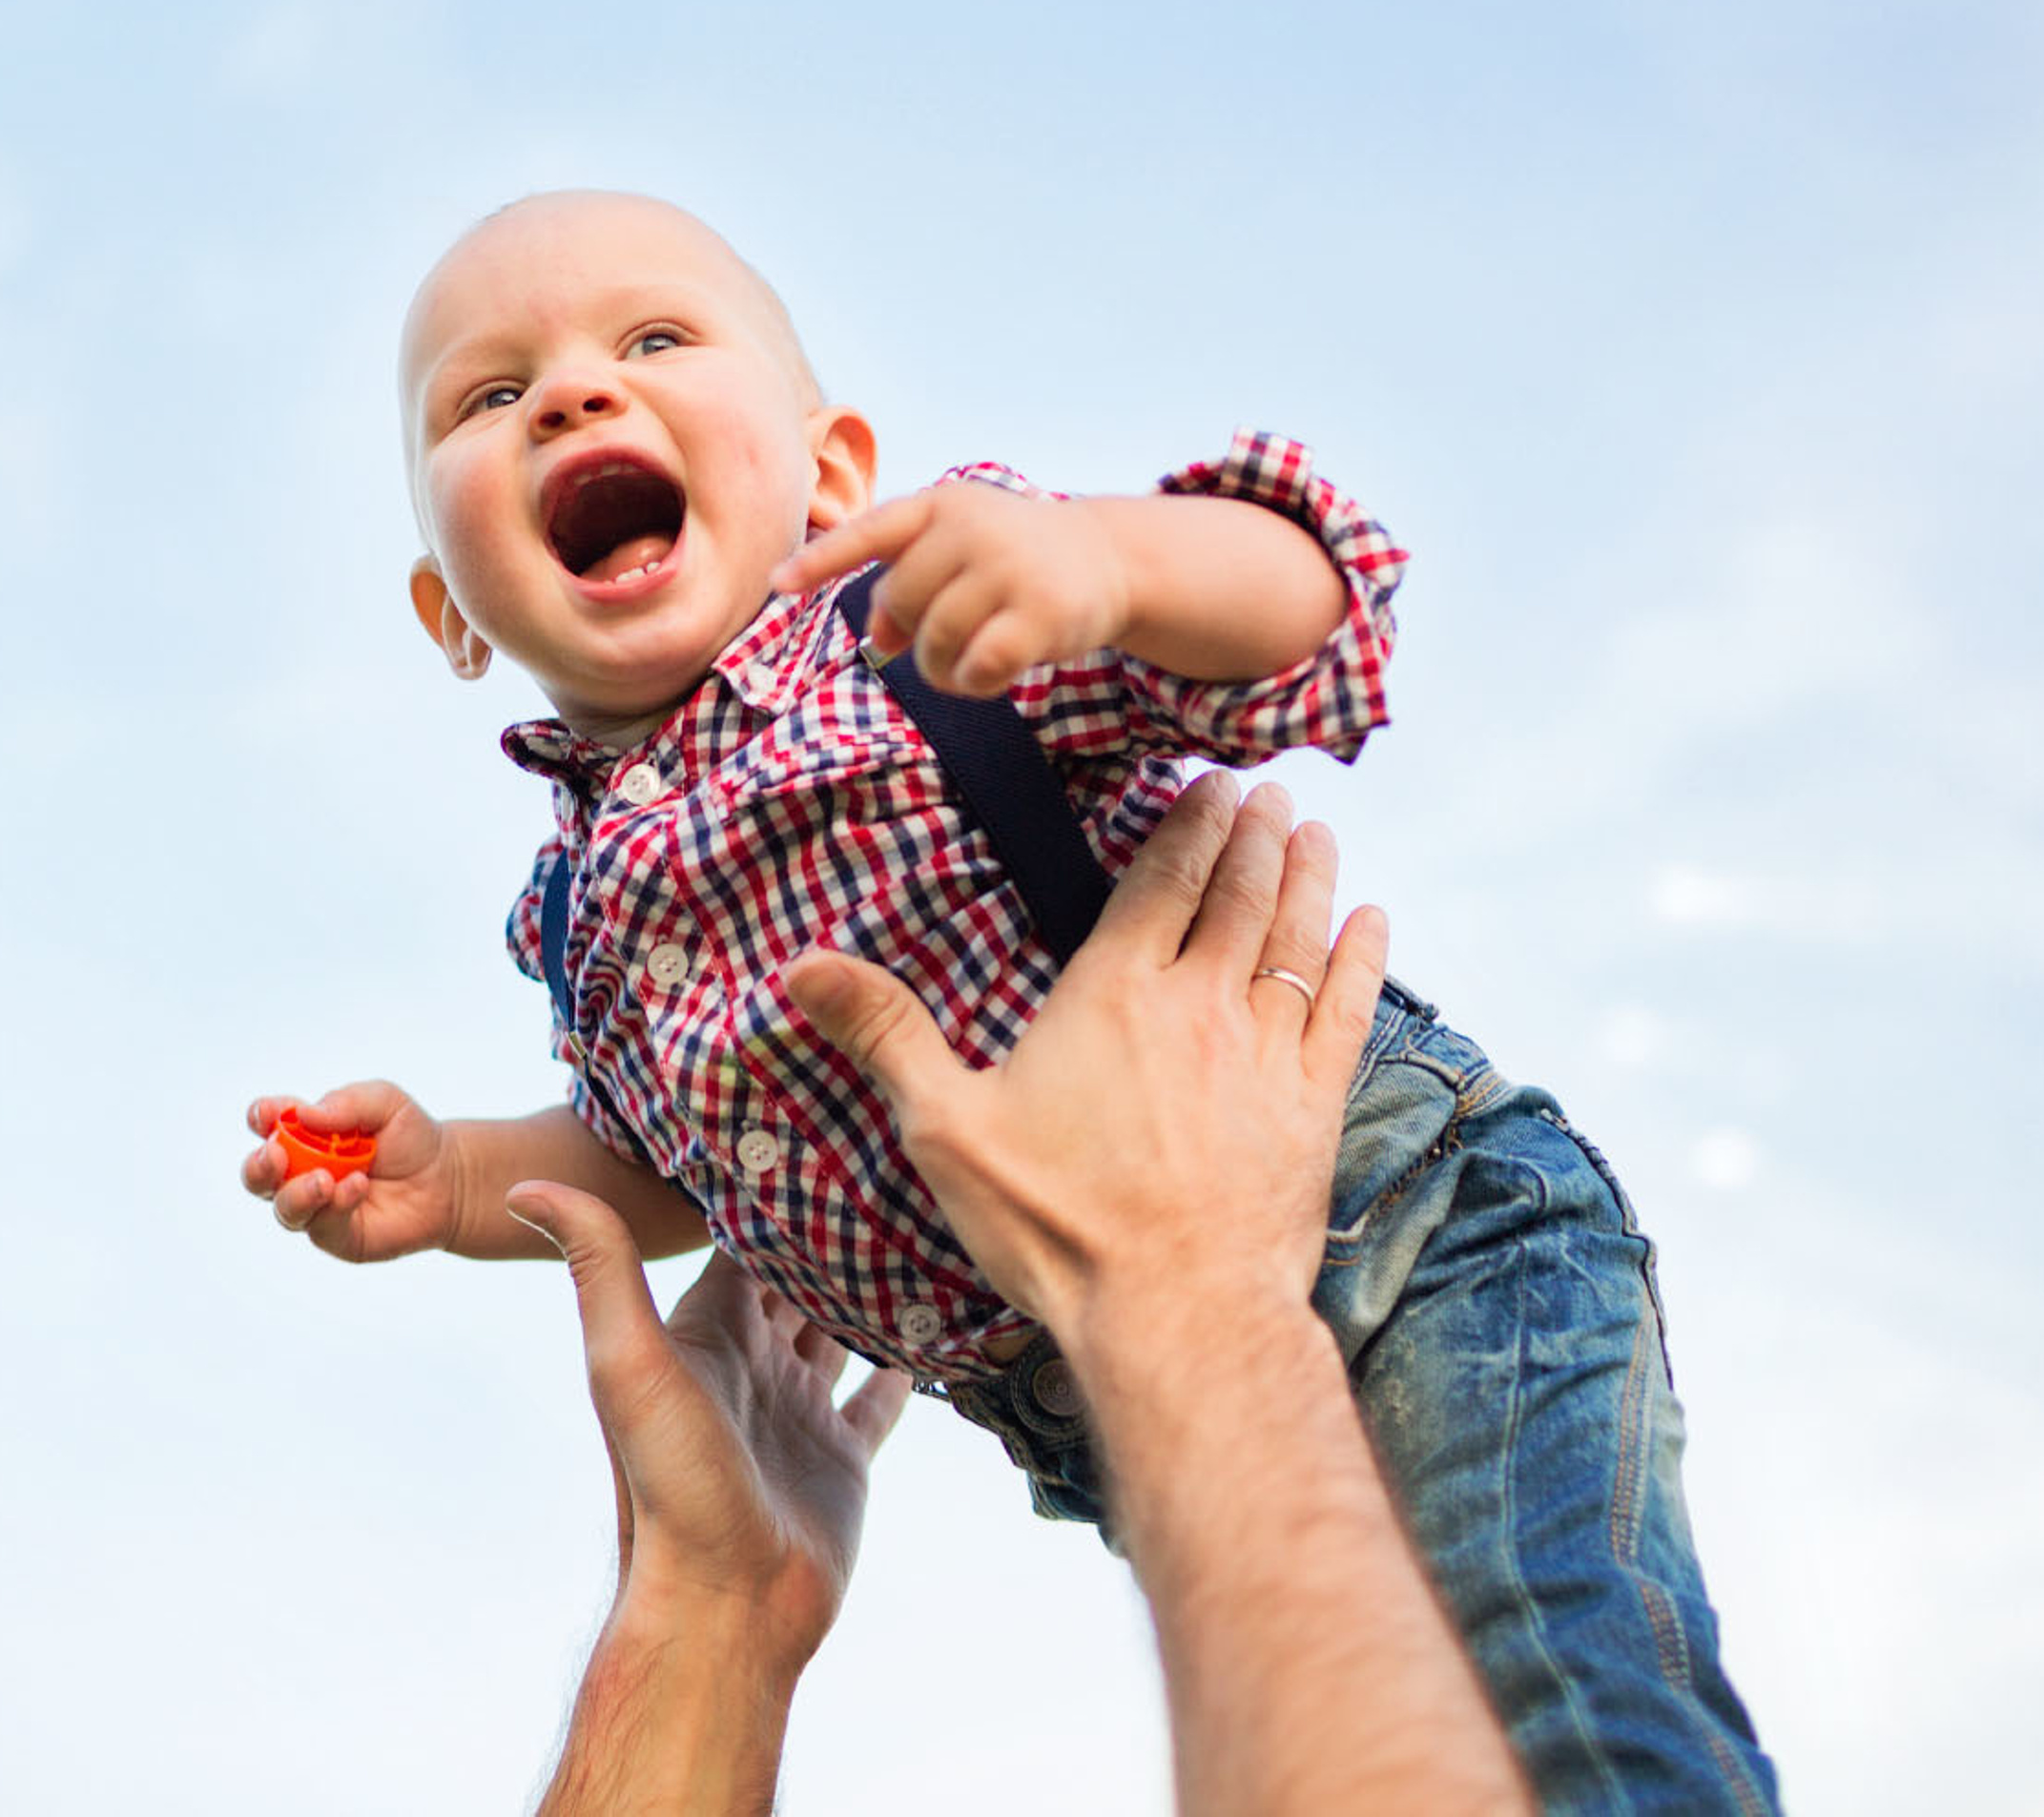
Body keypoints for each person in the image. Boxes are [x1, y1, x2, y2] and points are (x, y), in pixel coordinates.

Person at [243, 190, 1778, 1805]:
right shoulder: (581, 922)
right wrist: (464, 1176)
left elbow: (1318, 612)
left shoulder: (919, 624)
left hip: (1387, 1220)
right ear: (448, 616)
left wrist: (1116, 565)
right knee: (1336, 1688)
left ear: (831, 472)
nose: (571, 391)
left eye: (654, 340)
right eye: (489, 397)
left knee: (1542, 1691)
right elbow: (673, 1159)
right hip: (1104, 1379)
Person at [524, 777, 1532, 1815]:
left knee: (1563, 1716)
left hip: (1403, 1190)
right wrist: (1189, 1284)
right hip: (1152, 1332)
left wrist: (707, 1605)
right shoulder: (584, 916)